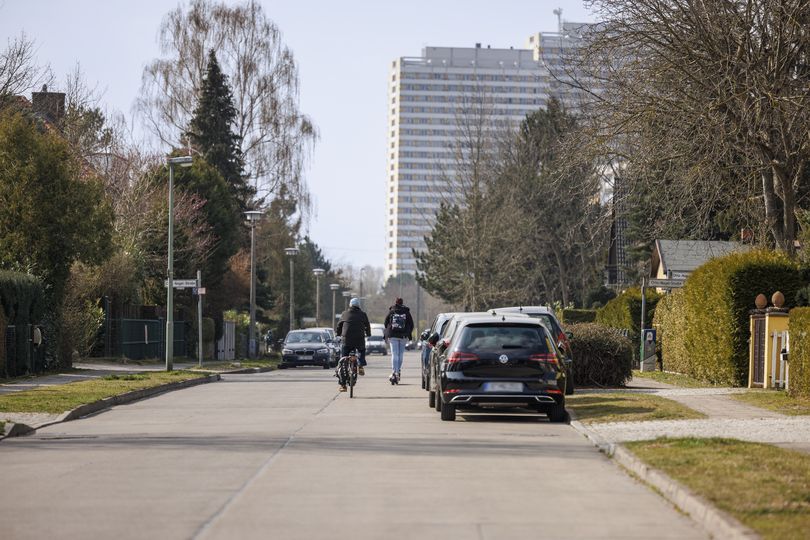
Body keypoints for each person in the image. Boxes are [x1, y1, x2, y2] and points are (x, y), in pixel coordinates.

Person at [335, 297, 371, 391]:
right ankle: (361, 365)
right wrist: (368, 334)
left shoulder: (344, 314)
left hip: (346, 339)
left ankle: (343, 385)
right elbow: (367, 325)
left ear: (350, 305)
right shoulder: (363, 314)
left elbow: (339, 325)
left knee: (343, 360)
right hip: (359, 339)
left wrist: (338, 334)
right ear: (358, 306)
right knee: (361, 350)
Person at [384, 297, 414, 383]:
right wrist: (408, 332)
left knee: (394, 354)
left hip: (393, 335)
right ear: (402, 303)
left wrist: (388, 330)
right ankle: (398, 371)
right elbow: (411, 324)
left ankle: (394, 372)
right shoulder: (406, 312)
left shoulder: (392, 311)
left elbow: (385, 322)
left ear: (395, 302)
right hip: (403, 336)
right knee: (400, 354)